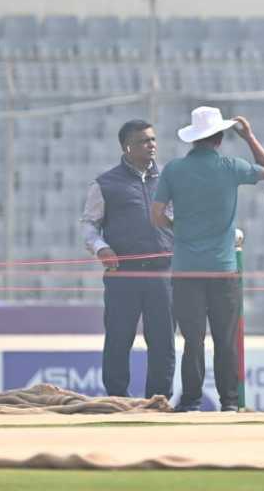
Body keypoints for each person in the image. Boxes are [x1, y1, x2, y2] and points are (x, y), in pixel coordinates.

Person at [151, 106, 264, 412]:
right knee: (225, 339)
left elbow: (156, 216)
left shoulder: (174, 170)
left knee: (193, 341)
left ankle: (191, 400)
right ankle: (229, 402)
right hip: (223, 269)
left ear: (193, 139)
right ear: (220, 137)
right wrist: (248, 136)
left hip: (186, 270)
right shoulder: (231, 166)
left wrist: (177, 227)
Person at [79, 119, 174, 399]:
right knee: (119, 339)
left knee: (163, 342)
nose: (152, 145)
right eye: (145, 141)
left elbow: (178, 220)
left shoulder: (169, 180)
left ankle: (159, 400)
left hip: (163, 273)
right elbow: (89, 224)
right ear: (127, 147)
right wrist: (101, 248)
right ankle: (117, 399)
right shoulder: (105, 184)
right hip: (123, 273)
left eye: (154, 139)